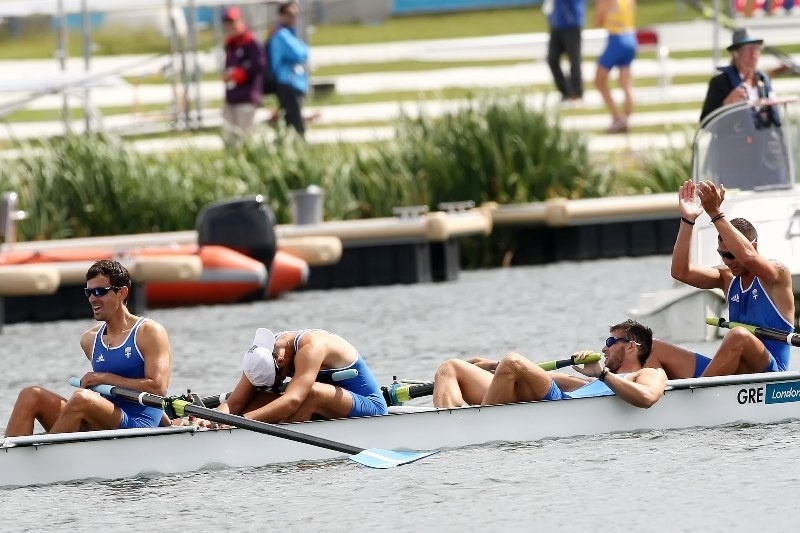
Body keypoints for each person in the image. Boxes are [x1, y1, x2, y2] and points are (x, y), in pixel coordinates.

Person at [4, 260, 172, 437]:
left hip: (140, 425)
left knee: (81, 399)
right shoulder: (89, 340)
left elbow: (157, 388)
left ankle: (45, 457)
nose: (92, 299)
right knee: (30, 395)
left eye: (99, 291)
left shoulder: (149, 332)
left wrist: (105, 377)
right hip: (106, 422)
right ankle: (9, 459)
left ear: (122, 292)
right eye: (89, 292)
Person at [658, 179, 795, 377]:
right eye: (722, 254)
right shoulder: (727, 279)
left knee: (738, 335)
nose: (727, 260)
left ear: (753, 247)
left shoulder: (776, 275)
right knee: (654, 347)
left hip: (771, 373)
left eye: (731, 254)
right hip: (736, 367)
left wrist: (715, 213)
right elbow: (680, 272)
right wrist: (688, 220)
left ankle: (699, 395)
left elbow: (749, 259)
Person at [432, 319, 666, 409]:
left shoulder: (650, 373)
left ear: (631, 347)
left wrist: (602, 374)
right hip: (552, 396)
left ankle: (474, 427)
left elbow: (646, 398)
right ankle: (444, 429)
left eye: (610, 341)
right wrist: (494, 366)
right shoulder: (586, 382)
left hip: (559, 404)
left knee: (513, 360)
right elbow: (541, 376)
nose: (604, 348)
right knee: (451, 367)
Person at [209, 328, 388, 424]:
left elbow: (292, 401)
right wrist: (213, 420)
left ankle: (273, 443)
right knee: (252, 398)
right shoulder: (262, 352)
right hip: (327, 406)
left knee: (311, 393)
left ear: (280, 362)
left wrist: (241, 421)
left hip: (369, 406)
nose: (277, 384)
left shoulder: (311, 348)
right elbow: (235, 402)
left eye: (276, 380)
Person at [699, 28, 777, 124]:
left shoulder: (763, 79)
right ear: (735, 53)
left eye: (756, 48)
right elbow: (705, 122)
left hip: (764, 138)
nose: (754, 54)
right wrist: (726, 104)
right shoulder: (721, 82)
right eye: (748, 48)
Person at [221, 6, 265, 149]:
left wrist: (241, 74)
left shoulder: (250, 41)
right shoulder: (230, 44)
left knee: (245, 138)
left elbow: (260, 63)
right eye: (227, 23)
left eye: (233, 22)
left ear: (241, 21)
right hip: (231, 97)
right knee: (230, 137)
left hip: (246, 96)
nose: (230, 26)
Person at [593, 0, 637, 134]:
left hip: (616, 40)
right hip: (631, 38)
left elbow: (597, 20)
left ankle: (617, 117)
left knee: (599, 81)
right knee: (625, 83)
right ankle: (625, 119)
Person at [269, 1, 310, 137]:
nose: (293, 18)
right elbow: (301, 53)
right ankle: (300, 146)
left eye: (295, 15)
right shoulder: (282, 35)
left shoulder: (290, 34)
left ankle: (288, 149)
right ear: (281, 15)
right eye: (289, 14)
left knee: (288, 121)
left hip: (293, 83)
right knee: (296, 121)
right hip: (287, 83)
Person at [545, 0, 586, 104]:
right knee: (552, 59)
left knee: (574, 61)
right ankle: (566, 91)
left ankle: (577, 93)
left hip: (572, 26)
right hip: (557, 25)